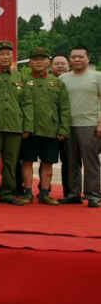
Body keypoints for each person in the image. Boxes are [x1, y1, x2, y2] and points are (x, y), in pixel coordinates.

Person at [0, 41, 33, 205]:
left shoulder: (21, 78)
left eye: (8, 54)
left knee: (11, 162)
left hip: (14, 126)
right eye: (1, 54)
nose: (5, 57)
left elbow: (27, 103)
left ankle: (8, 193)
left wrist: (27, 126)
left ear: (12, 56)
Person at [19, 47, 70, 205]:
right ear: (30, 62)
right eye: (35, 59)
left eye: (42, 59)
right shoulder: (23, 81)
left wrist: (64, 129)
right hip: (29, 130)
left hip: (50, 130)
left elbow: (64, 108)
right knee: (27, 162)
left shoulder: (57, 83)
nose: (39, 62)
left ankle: (44, 193)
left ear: (48, 62)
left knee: (48, 163)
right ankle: (28, 193)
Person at [58, 46, 101, 208]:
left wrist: (100, 123)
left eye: (81, 57)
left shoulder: (97, 76)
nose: (77, 59)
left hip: (89, 125)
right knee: (71, 162)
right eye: (73, 56)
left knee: (91, 163)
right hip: (68, 126)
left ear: (88, 58)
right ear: (69, 59)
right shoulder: (63, 78)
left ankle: (93, 195)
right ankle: (73, 194)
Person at [50, 54, 71, 196]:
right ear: (50, 66)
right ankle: (44, 189)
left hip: (68, 126)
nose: (60, 66)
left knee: (69, 160)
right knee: (47, 160)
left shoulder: (72, 81)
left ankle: (70, 191)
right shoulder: (45, 81)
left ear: (68, 65)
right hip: (48, 127)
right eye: (56, 63)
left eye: (63, 63)